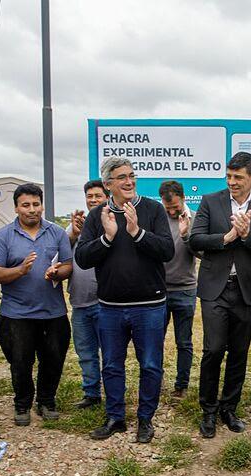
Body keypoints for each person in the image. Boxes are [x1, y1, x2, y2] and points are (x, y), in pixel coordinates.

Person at [76, 157, 174, 443]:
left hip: (150, 306)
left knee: (151, 365)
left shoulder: (153, 210)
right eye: (122, 177)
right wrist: (107, 238)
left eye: (132, 176)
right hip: (110, 308)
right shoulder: (98, 216)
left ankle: (145, 419)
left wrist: (137, 233)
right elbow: (82, 258)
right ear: (108, 184)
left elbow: (167, 250)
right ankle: (115, 417)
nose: (129, 181)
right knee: (112, 366)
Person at [189, 151, 251, 438]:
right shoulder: (211, 202)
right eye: (228, 176)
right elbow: (195, 240)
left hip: (246, 290)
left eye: (238, 177)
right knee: (213, 350)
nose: (232, 182)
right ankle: (209, 410)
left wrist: (248, 235)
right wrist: (227, 238)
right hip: (215, 288)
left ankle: (229, 408)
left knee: (239, 352)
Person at [0, 183, 72, 426]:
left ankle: (47, 400)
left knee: (53, 359)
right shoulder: (3, 236)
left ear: (42, 205)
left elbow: (68, 264)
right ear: (16, 208)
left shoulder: (56, 233)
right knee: (21, 362)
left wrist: (58, 272)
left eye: (36, 204)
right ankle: (22, 403)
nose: (32, 210)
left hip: (53, 312)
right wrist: (20, 270)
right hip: (17, 314)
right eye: (26, 205)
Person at [67, 179, 108, 409]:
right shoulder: (76, 226)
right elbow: (61, 250)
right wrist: (73, 233)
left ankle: (113, 392)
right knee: (86, 352)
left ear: (107, 197)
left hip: (105, 302)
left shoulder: (111, 221)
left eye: (97, 196)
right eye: (89, 196)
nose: (93, 200)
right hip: (80, 302)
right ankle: (91, 393)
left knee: (110, 353)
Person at [159, 180, 200, 398]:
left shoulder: (196, 219)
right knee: (155, 340)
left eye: (175, 207)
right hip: (159, 291)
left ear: (183, 198)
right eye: (168, 208)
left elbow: (201, 253)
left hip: (185, 290)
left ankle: (181, 385)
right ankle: (156, 381)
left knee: (183, 341)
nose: (173, 212)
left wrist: (186, 235)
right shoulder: (158, 219)